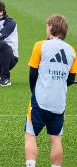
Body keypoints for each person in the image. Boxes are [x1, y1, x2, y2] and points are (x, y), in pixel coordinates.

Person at [24, 15, 77, 167]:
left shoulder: (40, 45)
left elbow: (33, 73)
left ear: (51, 28)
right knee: (56, 139)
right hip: (59, 103)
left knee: (30, 135)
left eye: (47, 26)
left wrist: (34, 91)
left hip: (41, 100)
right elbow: (70, 80)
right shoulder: (72, 51)